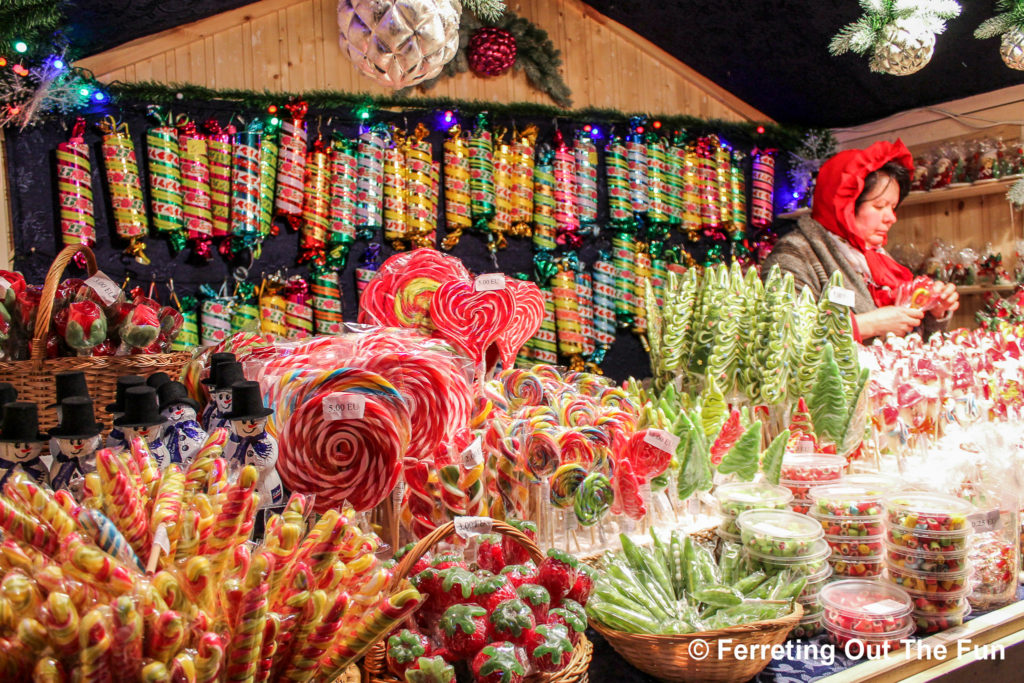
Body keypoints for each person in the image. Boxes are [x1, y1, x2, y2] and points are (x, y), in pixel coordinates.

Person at [761, 139, 958, 340]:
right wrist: (869, 325)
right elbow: (785, 334)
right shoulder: (794, 254)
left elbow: (913, 346)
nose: (891, 218)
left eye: (893, 207)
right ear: (845, 206)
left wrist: (935, 313)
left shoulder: (878, 262)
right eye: (880, 206)